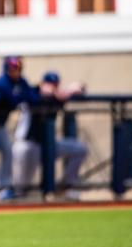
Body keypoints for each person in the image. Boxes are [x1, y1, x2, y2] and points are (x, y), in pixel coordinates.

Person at [13, 72, 87, 200]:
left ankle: (66, 186)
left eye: (54, 85)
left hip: (48, 144)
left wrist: (74, 88)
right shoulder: (33, 93)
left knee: (79, 149)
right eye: (49, 84)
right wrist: (48, 92)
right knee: (22, 187)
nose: (52, 87)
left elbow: (80, 89)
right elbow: (28, 94)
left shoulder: (57, 97)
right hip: (27, 145)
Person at [0, 56, 39, 200]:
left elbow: (33, 98)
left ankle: (3, 186)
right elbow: (12, 98)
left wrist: (33, 90)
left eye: (18, 68)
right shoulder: (1, 82)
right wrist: (22, 96)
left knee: (6, 152)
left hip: (0, 124)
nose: (15, 71)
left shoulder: (21, 82)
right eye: (12, 68)